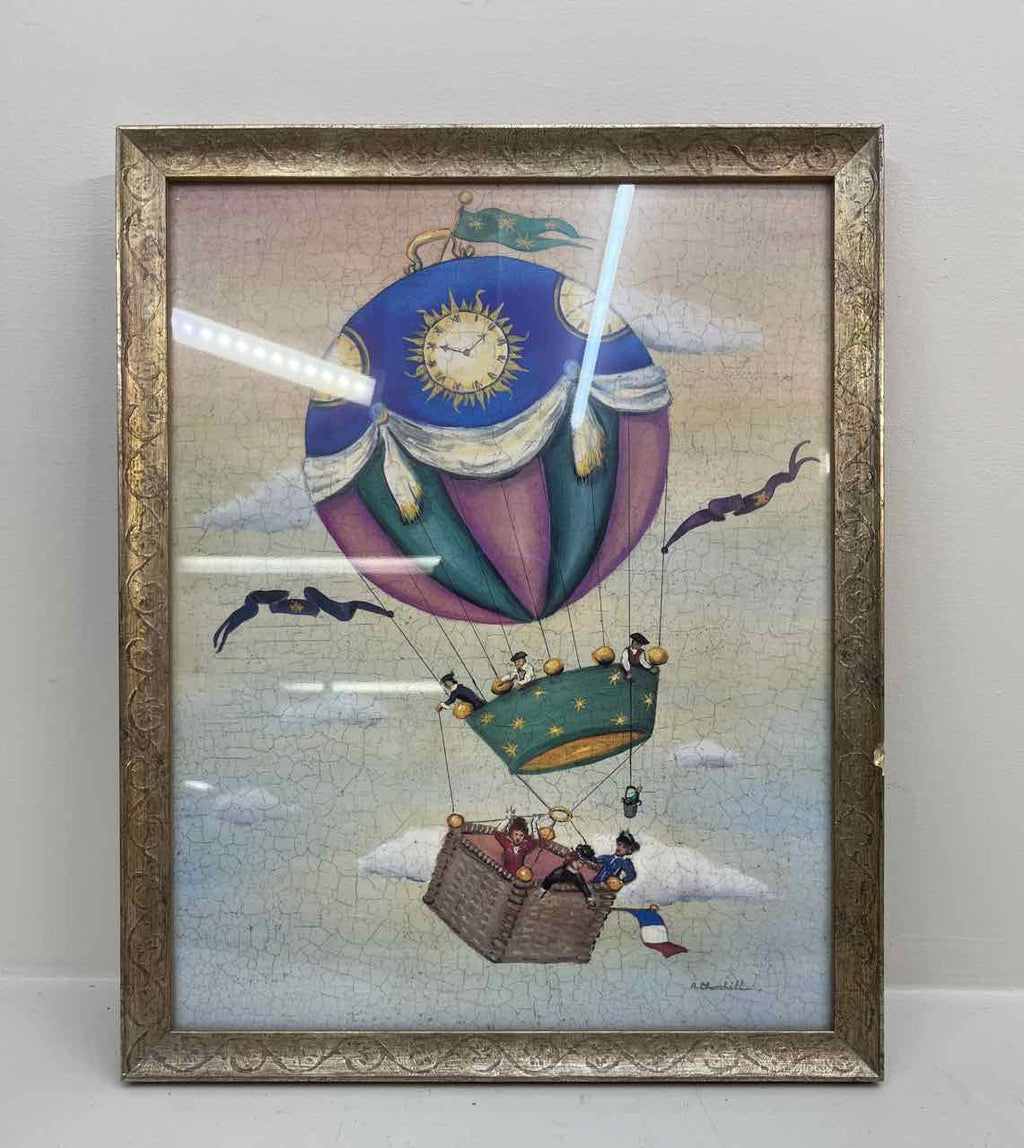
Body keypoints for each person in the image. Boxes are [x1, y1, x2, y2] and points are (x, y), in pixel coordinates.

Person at [538, 843, 597, 907]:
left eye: (582, 863)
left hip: (574, 875)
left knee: (582, 884)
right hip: (563, 872)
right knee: (551, 877)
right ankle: (541, 891)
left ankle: (589, 899)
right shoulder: (560, 870)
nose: (581, 865)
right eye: (580, 862)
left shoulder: (578, 874)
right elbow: (550, 879)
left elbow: (583, 885)